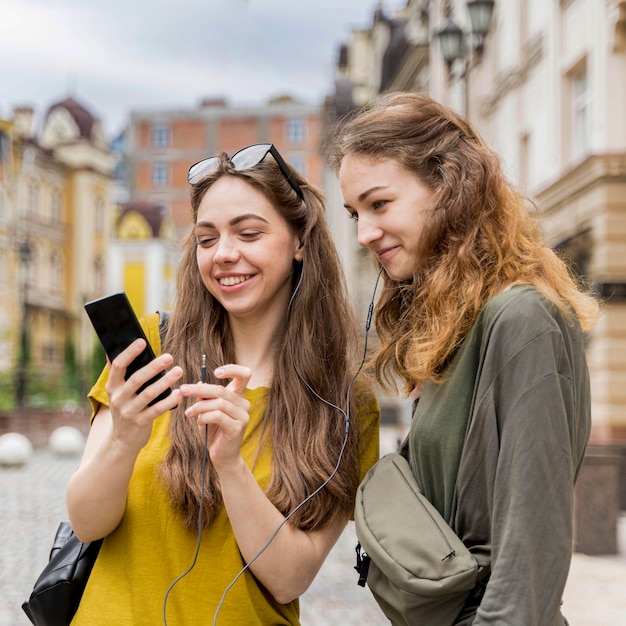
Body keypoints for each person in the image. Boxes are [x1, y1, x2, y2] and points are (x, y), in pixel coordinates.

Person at [66, 143, 380, 625]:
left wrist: (229, 465)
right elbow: (86, 524)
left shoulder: (343, 399)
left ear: (299, 241)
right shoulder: (154, 347)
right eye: (207, 239)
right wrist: (125, 440)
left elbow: (290, 578)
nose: (225, 255)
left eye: (249, 233)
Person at [330, 92, 599, 625]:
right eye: (355, 213)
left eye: (379, 204)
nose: (364, 233)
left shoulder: (522, 318)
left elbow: (529, 560)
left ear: (450, 185)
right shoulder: (455, 329)